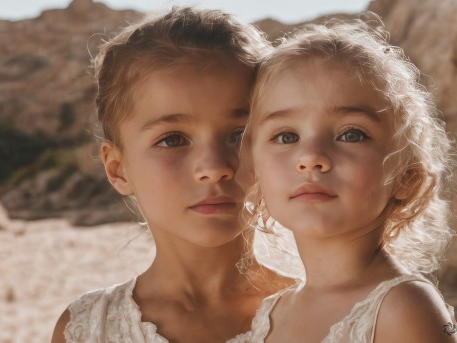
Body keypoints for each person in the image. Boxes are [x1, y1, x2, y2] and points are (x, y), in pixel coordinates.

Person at [51, 7, 292, 343]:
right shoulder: (89, 329)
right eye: (172, 140)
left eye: (239, 134)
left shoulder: (328, 315)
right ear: (118, 170)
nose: (214, 167)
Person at [237, 15, 457, 343]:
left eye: (351, 134)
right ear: (255, 168)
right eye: (286, 136)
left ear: (405, 179)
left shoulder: (403, 310)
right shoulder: (270, 313)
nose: (311, 156)